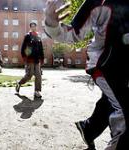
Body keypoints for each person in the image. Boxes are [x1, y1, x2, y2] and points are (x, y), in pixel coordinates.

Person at [44, 0, 129, 149]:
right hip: (105, 64)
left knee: (111, 101)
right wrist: (52, 26)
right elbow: (74, 34)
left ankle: (88, 129)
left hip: (125, 65)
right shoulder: (100, 3)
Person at [16, 22, 44, 98]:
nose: (33, 27)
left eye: (34, 26)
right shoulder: (27, 36)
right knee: (29, 75)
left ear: (36, 27)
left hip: (37, 59)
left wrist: (42, 58)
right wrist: (25, 57)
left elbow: (41, 48)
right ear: (30, 27)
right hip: (30, 59)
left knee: (38, 75)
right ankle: (19, 83)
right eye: (32, 26)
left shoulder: (38, 36)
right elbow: (23, 47)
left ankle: (37, 91)